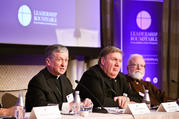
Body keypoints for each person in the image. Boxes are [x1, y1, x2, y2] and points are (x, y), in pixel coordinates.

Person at [25, 44, 92, 112]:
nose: (63, 64)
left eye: (66, 60)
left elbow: (72, 99)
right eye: (59, 60)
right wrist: (67, 107)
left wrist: (83, 102)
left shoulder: (65, 80)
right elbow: (40, 106)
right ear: (48, 62)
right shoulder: (38, 81)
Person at [76, 46, 141, 111]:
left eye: (120, 61)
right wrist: (123, 103)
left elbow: (138, 99)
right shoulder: (92, 74)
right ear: (103, 61)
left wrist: (126, 99)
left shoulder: (121, 77)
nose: (117, 64)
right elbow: (100, 102)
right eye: (114, 60)